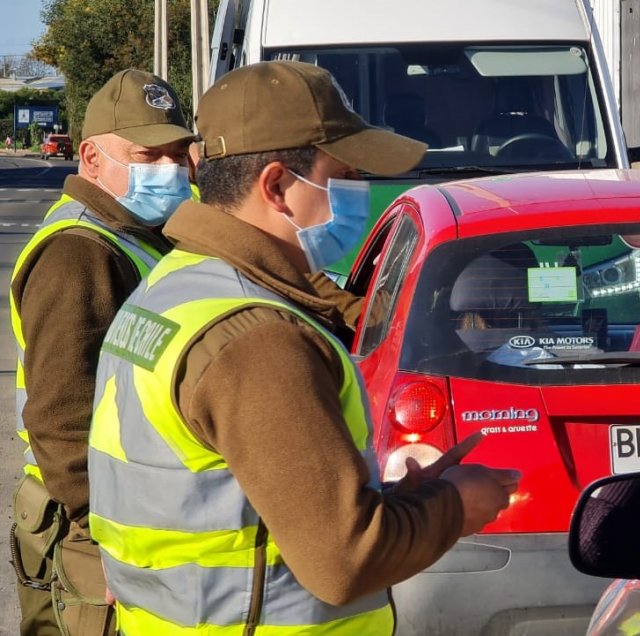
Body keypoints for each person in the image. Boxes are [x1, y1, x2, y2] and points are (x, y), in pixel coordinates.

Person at [86, 60, 520, 635]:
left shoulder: (176, 285)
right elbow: (343, 560)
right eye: (343, 173)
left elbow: (234, 496)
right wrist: (456, 506)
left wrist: (391, 498)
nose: (360, 191)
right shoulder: (258, 338)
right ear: (276, 187)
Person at [8, 69, 195, 636]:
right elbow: (62, 417)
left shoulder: (140, 230)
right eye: (147, 155)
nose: (168, 170)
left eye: (178, 154)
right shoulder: (79, 252)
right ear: (90, 158)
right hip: (88, 523)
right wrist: (105, 537)